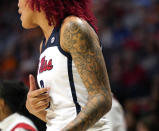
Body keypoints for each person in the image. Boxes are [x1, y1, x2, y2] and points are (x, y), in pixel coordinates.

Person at [18, 0, 112, 130]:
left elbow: (102, 98)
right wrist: (33, 108)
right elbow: (64, 115)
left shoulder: (73, 28)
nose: (18, 4)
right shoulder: (44, 44)